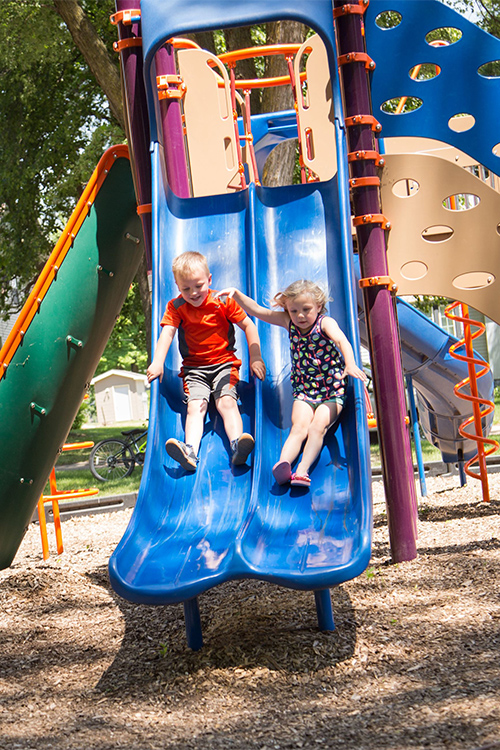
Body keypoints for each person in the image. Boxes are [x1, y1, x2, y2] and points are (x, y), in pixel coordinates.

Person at [216, 279, 366, 487]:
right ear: (287, 309)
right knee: (299, 427)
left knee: (317, 427)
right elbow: (259, 312)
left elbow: (342, 341)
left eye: (306, 309)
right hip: (305, 390)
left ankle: (302, 471)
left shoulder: (325, 323)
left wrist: (349, 364)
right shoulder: (289, 322)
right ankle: (283, 464)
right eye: (294, 311)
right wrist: (237, 293)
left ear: (319, 307)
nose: (300, 316)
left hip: (332, 390)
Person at [146, 251, 266, 471]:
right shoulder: (176, 306)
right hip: (194, 369)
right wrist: (157, 362)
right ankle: (190, 451)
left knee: (226, 402)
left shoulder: (223, 302)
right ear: (177, 286)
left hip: (225, 365)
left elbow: (249, 325)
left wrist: (256, 357)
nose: (193, 293)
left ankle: (237, 444)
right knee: (195, 407)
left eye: (198, 286)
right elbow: (167, 334)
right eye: (186, 288)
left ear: (209, 280)